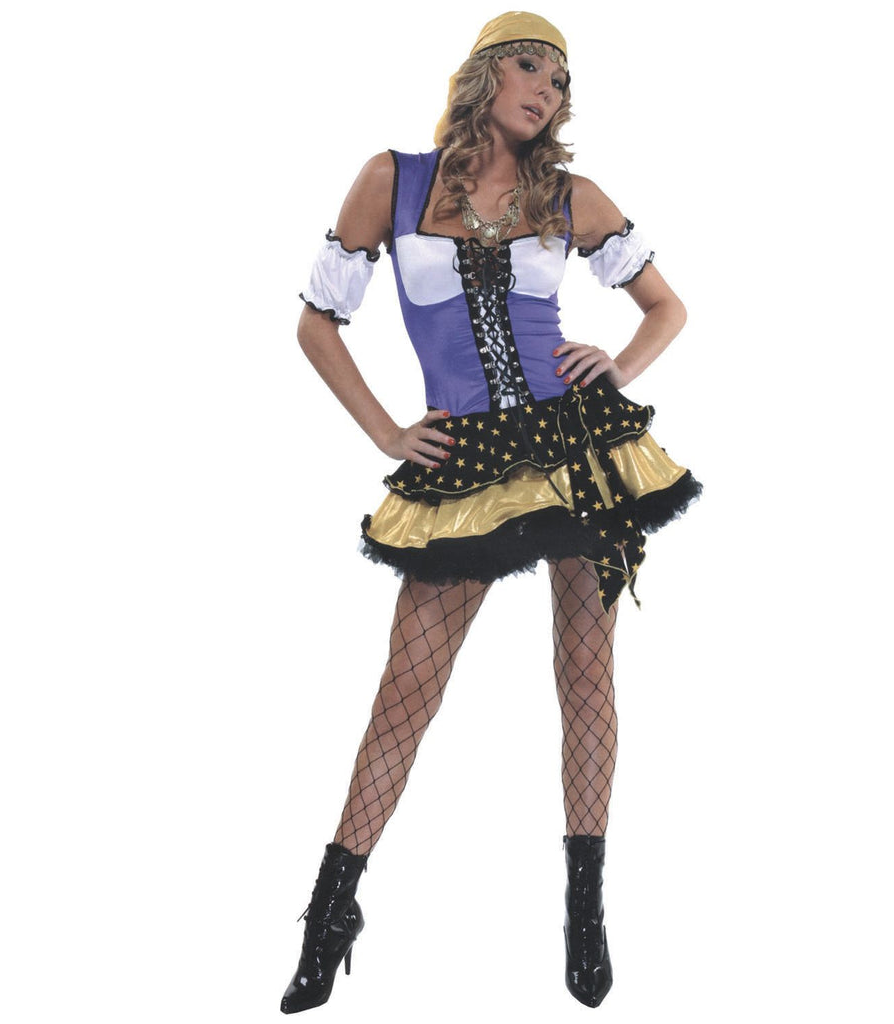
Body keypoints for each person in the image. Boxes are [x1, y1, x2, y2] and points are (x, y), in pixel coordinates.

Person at [282, 11, 703, 1012]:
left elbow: (667, 307)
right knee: (407, 688)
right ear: (482, 75)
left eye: (559, 80)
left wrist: (617, 364)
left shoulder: (569, 196)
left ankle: (586, 912)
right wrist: (387, 432)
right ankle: (332, 912)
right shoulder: (393, 180)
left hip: (577, 451)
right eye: (529, 65)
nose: (545, 88)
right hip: (462, 460)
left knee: (585, 674)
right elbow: (316, 322)